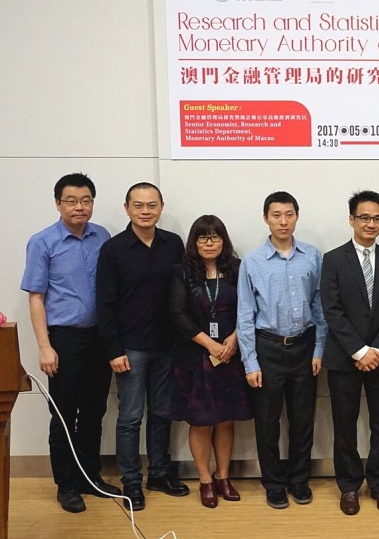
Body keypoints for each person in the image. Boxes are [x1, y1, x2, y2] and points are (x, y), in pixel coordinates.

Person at [21, 173, 120, 513]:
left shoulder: (102, 237)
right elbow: (36, 297)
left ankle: (90, 478)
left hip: (99, 337)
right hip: (64, 338)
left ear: (93, 202)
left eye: (86, 200)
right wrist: (44, 345)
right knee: (64, 413)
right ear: (58, 204)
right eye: (71, 201)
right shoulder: (43, 242)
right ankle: (66, 485)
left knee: (95, 411)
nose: (79, 207)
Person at [97, 182, 187, 511]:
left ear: (161, 208)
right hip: (130, 348)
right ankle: (131, 481)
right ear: (127, 209)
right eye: (138, 205)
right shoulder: (114, 249)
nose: (145, 211)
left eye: (151, 205)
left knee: (162, 413)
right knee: (131, 417)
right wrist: (113, 349)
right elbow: (104, 305)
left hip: (168, 346)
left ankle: (160, 474)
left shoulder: (173, 244)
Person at [236, 191, 326, 510]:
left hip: (304, 347)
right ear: (266, 218)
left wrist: (318, 349)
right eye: (276, 215)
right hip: (268, 348)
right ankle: (273, 483)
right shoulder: (252, 261)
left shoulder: (313, 256)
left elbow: (320, 306)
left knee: (303, 420)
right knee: (267, 422)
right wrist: (250, 361)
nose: (283, 221)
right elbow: (245, 314)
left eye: (289, 214)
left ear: (297, 217)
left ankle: (299, 480)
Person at [322, 190, 379, 515]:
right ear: (352, 219)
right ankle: (349, 486)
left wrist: (377, 349)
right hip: (344, 359)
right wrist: (358, 350)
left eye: (377, 218)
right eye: (365, 217)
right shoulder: (333, 259)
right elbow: (332, 310)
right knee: (345, 425)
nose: (371, 223)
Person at [168, 215, 251, 508]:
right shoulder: (182, 273)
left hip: (231, 354)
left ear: (223, 241)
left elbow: (251, 306)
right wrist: (211, 344)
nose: (209, 243)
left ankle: (223, 476)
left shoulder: (237, 270)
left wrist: (234, 338)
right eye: (203, 237)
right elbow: (177, 314)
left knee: (226, 419)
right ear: (194, 241)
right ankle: (204, 480)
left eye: (215, 237)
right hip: (195, 357)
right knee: (201, 422)